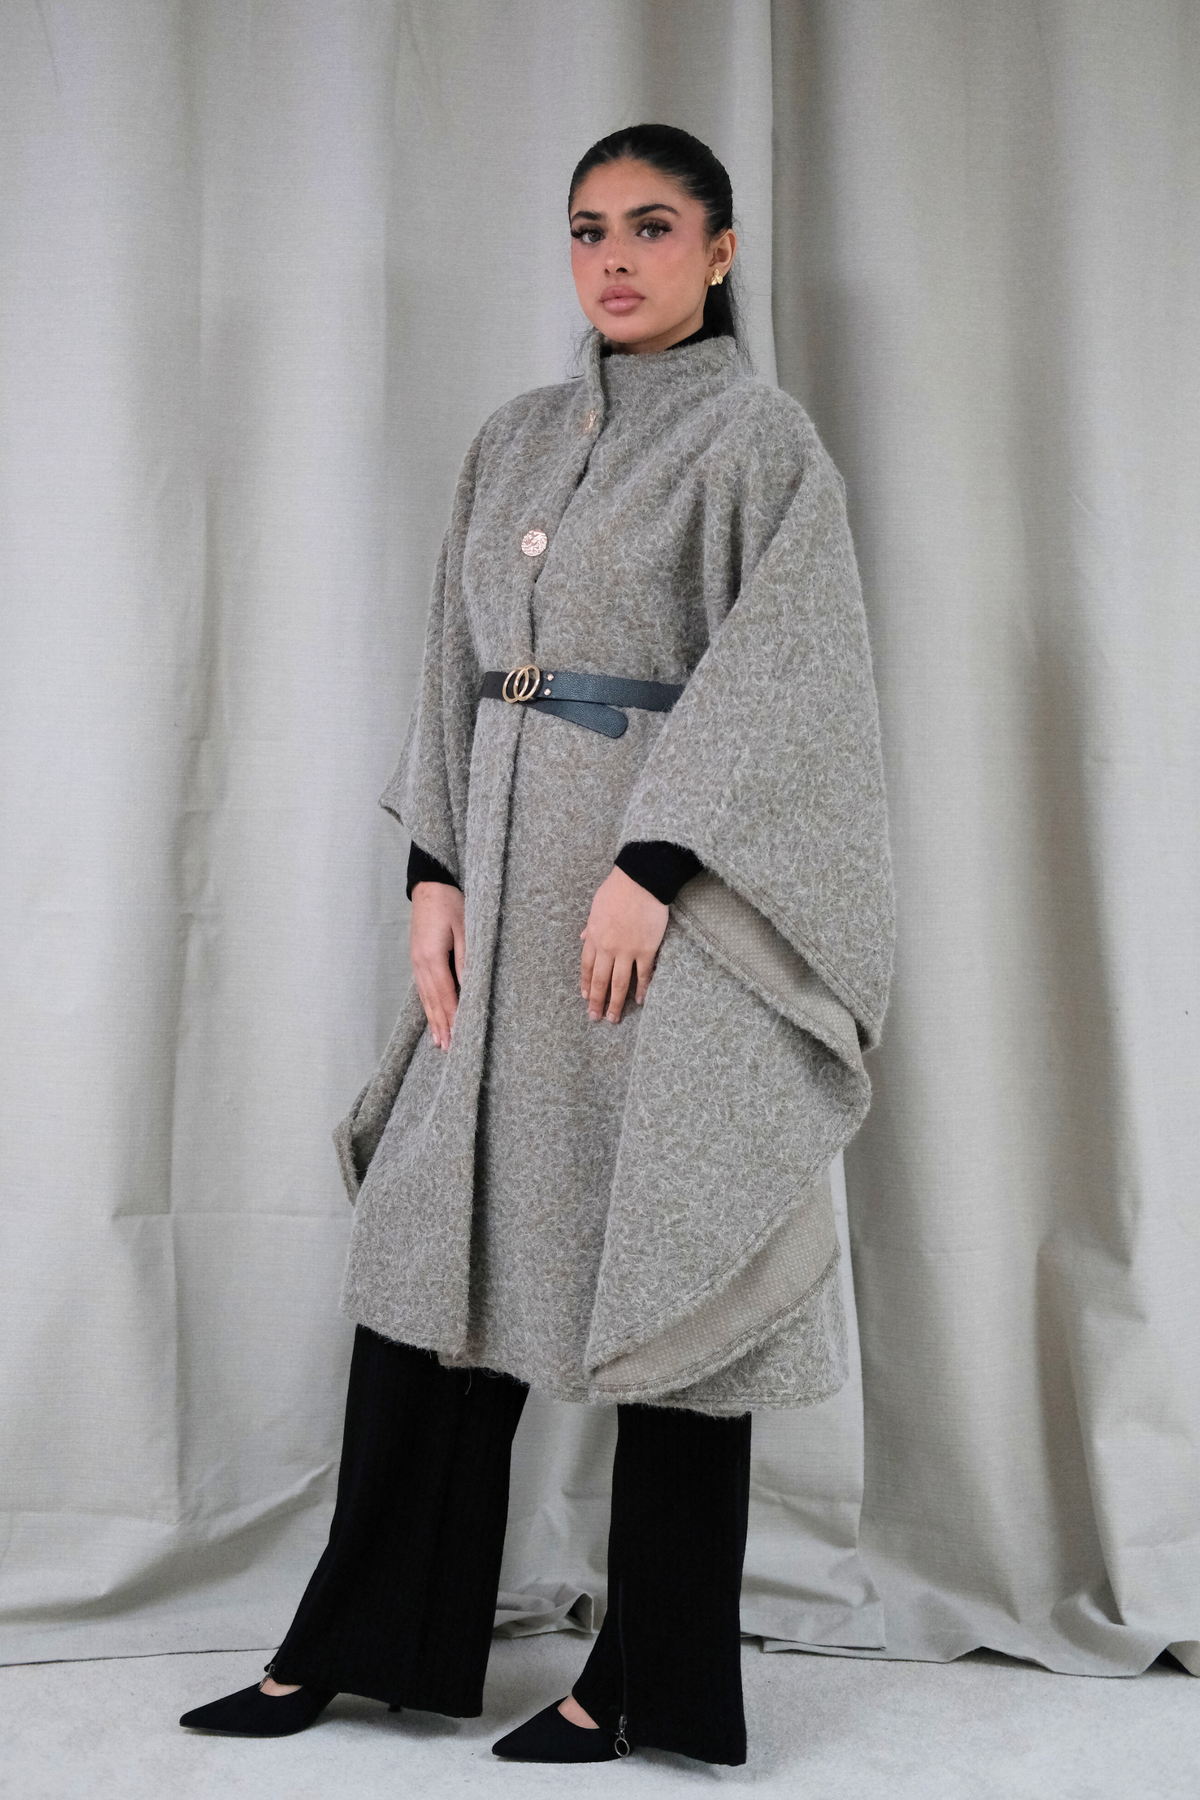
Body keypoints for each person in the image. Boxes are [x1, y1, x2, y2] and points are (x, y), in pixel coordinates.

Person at [179, 122, 894, 1767]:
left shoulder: (760, 442)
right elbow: (455, 652)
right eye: (587, 230)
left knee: (678, 1268)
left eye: (651, 227)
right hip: (499, 916)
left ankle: (638, 1682)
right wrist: (430, 870)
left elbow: (793, 678)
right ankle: (355, 1645)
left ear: (721, 250)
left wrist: (654, 862)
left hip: (663, 932)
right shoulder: (510, 440)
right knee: (431, 1252)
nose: (614, 259)